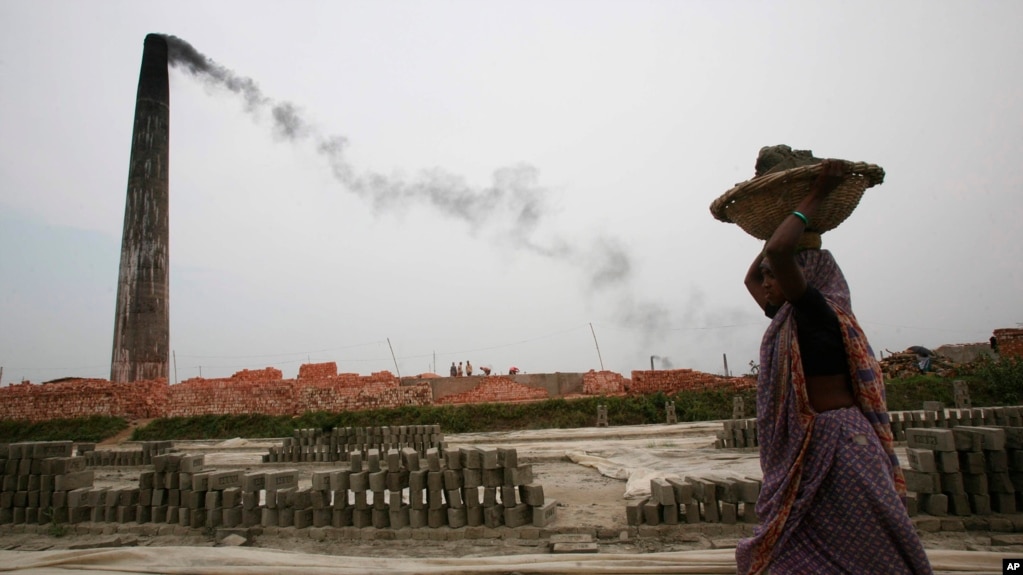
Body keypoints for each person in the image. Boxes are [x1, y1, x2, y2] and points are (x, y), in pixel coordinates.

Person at [735, 160, 932, 574]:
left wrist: (816, 195)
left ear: (802, 276)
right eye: (770, 277)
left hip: (842, 445)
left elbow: (778, 253)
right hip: (813, 443)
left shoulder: (817, 312)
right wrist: (776, 226)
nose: (768, 284)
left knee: (871, 549)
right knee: (801, 546)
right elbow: (753, 277)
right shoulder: (788, 317)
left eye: (776, 277)